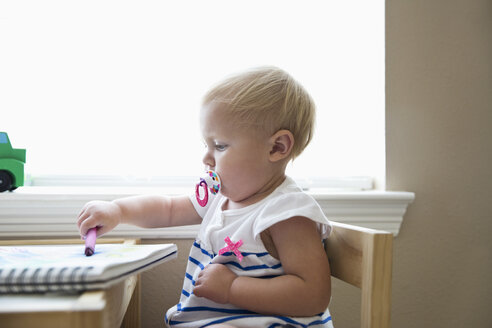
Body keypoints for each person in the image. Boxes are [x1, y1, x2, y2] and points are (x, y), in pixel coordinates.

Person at [77, 66, 334, 328]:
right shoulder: (217, 198)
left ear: (277, 147)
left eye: (220, 146)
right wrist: (118, 211)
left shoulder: (286, 211)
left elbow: (313, 295)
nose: (206, 158)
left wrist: (233, 287)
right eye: (206, 145)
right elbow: (167, 208)